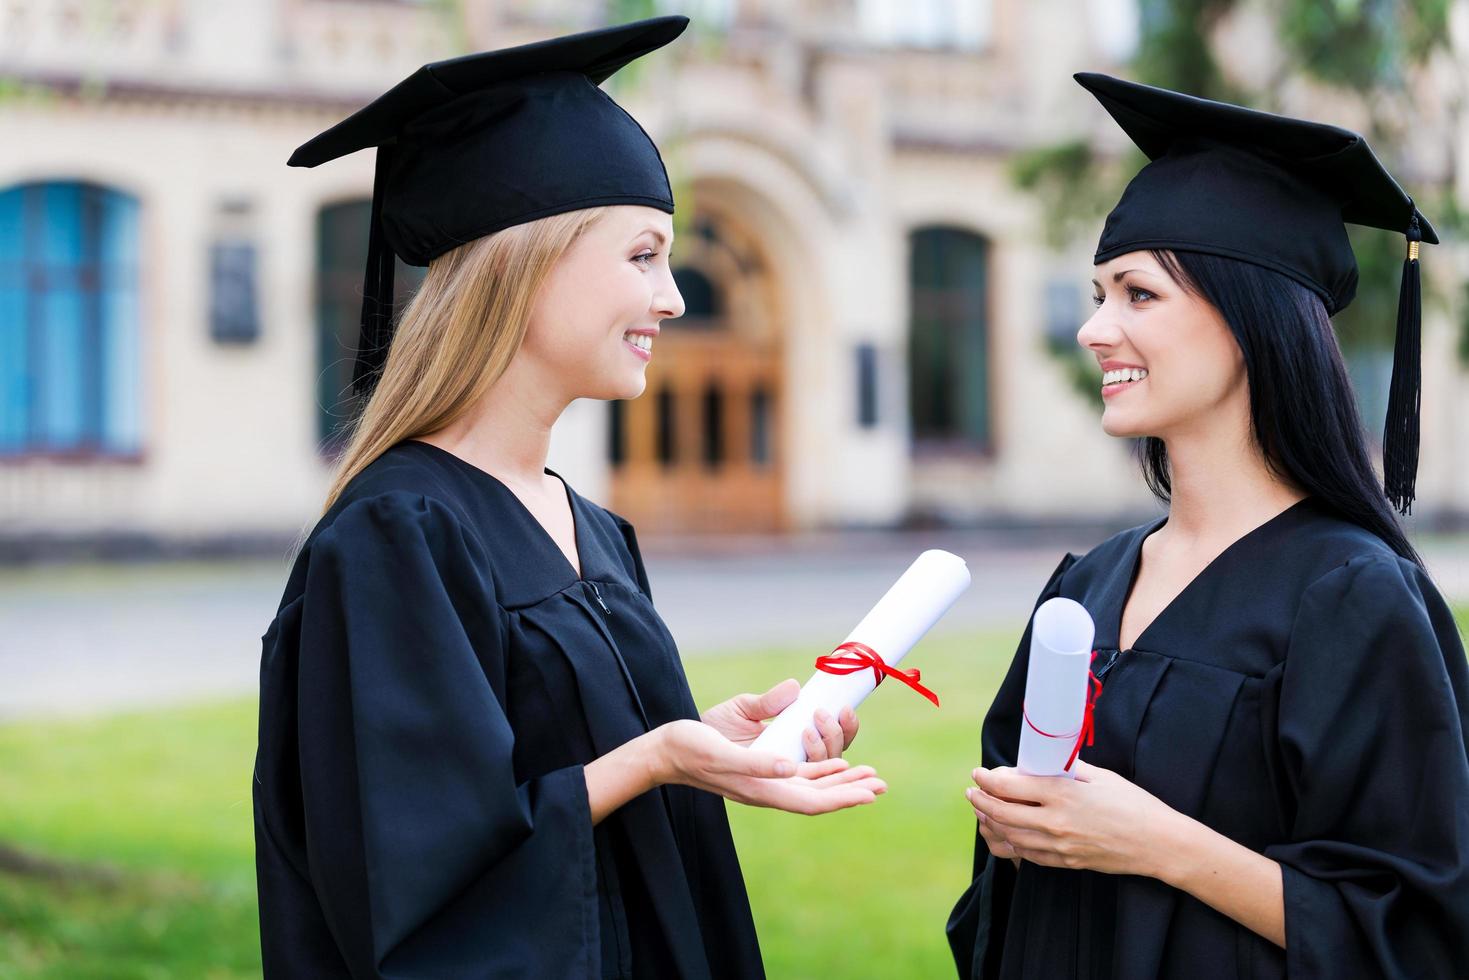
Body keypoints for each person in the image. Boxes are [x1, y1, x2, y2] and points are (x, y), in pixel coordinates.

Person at [252, 17, 882, 979]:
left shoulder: (584, 523)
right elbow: (408, 868)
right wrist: (654, 759)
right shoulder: (398, 531)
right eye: (642, 257)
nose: (672, 298)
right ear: (524, 264)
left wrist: (700, 743)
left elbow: (552, 764)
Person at [948, 73, 1469, 979]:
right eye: (1099, 293)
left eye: (1136, 295)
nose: (1093, 329)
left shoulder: (1351, 598)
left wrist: (1156, 843)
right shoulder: (1089, 584)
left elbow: (1418, 933)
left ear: (1247, 320)